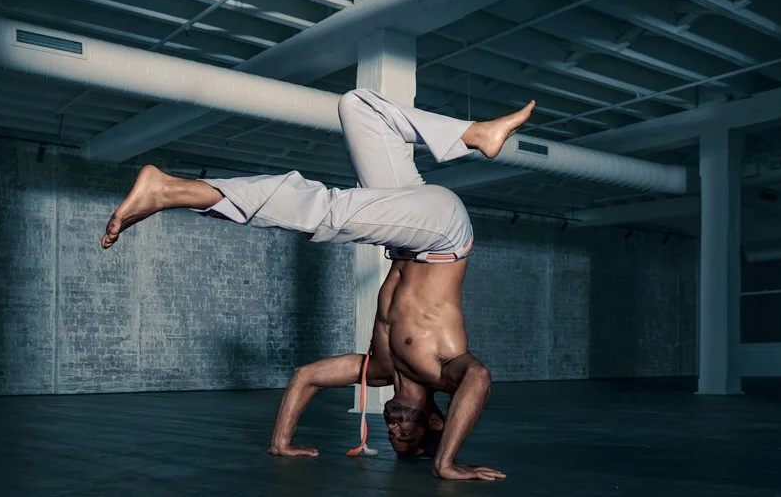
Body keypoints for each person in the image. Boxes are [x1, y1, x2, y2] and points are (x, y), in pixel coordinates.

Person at [101, 89, 534, 481]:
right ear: (434, 421)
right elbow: (479, 377)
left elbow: (306, 377)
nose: (395, 428)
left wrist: (281, 442)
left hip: (408, 233)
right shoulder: (442, 370)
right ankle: (168, 190)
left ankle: (472, 133)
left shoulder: (378, 368)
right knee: (328, 212)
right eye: (407, 433)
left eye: (393, 435)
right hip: (442, 233)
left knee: (358, 106)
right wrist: (444, 462)